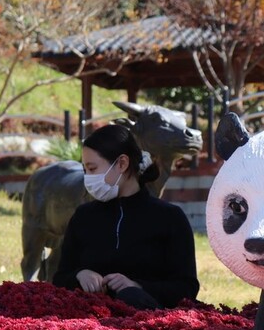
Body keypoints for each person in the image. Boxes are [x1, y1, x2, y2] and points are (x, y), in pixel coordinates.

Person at [52, 124, 200, 309]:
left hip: (144, 321)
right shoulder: (83, 216)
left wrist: (137, 287)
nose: (88, 177)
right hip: (86, 317)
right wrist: (79, 275)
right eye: (85, 170)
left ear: (122, 163)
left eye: (92, 168)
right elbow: (59, 278)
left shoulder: (169, 218)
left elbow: (187, 288)